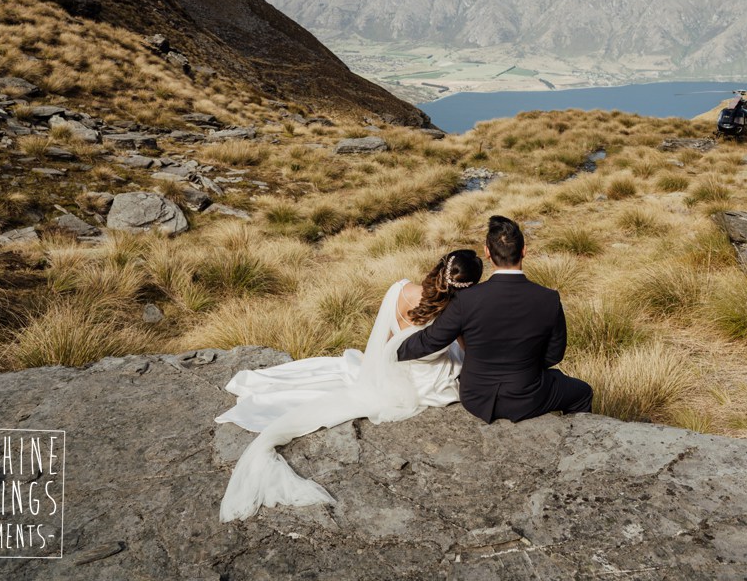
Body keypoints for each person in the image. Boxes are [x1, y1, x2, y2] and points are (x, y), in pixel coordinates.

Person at [217, 249, 484, 521]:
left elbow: (385, 336)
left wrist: (377, 369)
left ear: (439, 268)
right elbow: (469, 351)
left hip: (389, 366)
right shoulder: (456, 313)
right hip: (427, 381)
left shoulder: (400, 290)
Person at [397, 215, 592, 423]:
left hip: (475, 397)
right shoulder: (549, 299)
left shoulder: (466, 299)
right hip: (528, 397)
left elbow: (430, 341)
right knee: (582, 393)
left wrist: (393, 352)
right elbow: (554, 355)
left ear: (488, 252)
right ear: (524, 251)